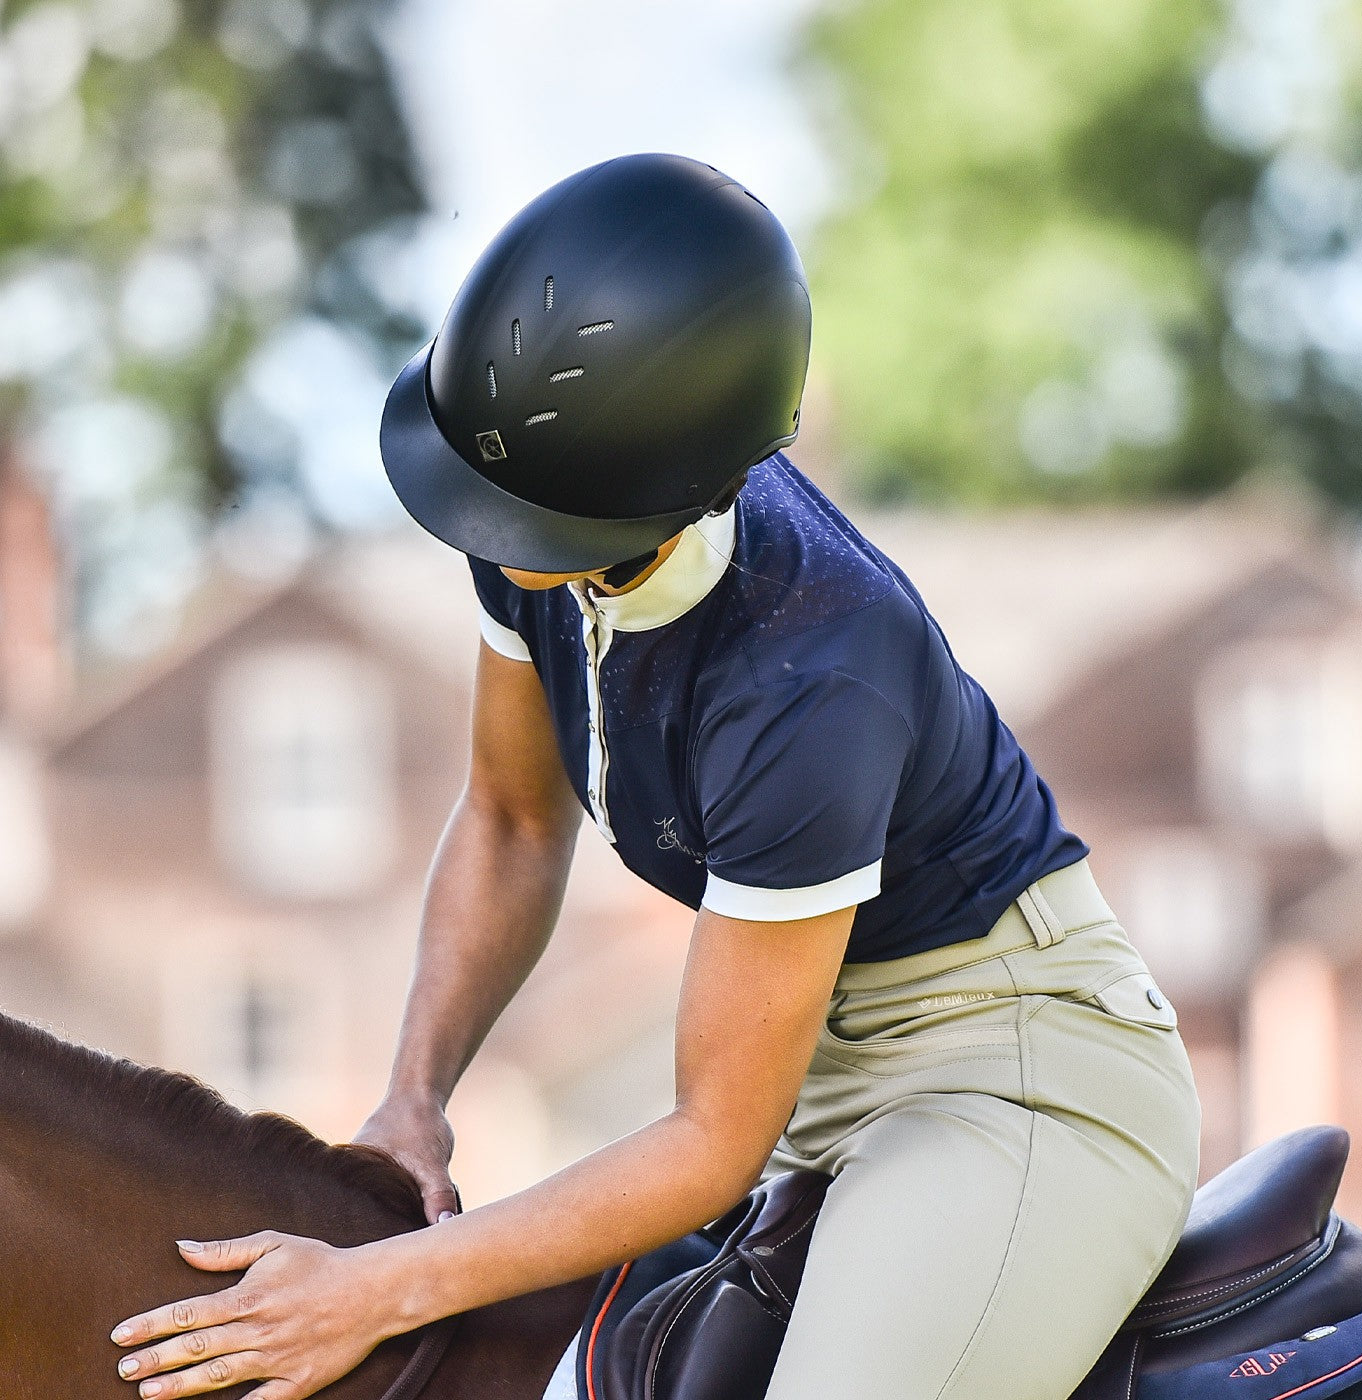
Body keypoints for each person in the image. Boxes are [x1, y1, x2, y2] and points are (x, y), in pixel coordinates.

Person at [111, 153, 1200, 1400]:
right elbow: (516, 820)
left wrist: (378, 1285)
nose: (487, 532)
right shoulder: (536, 513)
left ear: (665, 495)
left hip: (1007, 1075)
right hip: (806, 1067)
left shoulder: (814, 672)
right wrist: (411, 1098)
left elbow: (707, 1139)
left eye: (521, 518)